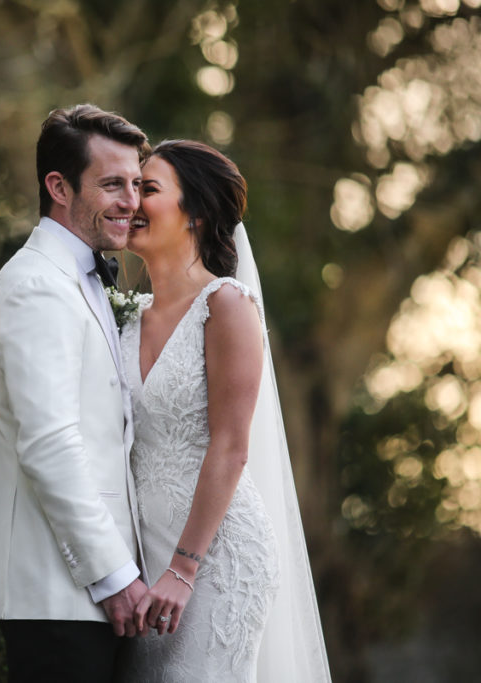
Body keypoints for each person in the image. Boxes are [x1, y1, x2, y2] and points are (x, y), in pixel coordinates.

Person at [115, 139, 331, 681]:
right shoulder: (126, 317)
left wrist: (184, 569)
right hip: (143, 560)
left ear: (198, 215)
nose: (132, 200)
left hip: (214, 560)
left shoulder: (226, 306)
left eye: (150, 188)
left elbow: (231, 447)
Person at [0, 104, 152, 682]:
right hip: (56, 595)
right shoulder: (35, 286)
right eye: (111, 184)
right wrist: (115, 575)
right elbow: (49, 445)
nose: (132, 201)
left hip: (85, 600)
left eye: (135, 182)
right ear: (58, 186)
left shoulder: (82, 278)